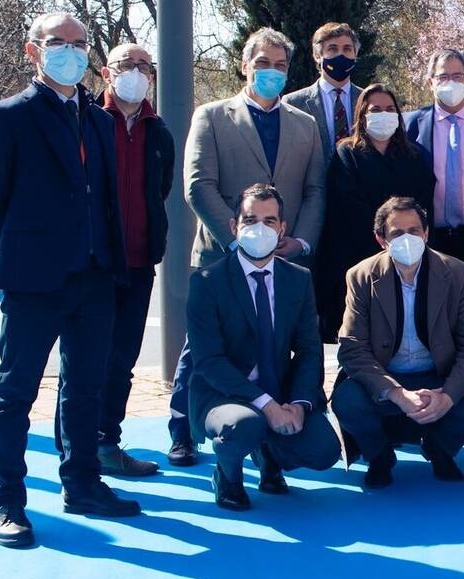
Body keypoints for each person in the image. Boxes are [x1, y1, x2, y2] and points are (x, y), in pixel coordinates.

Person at [0, 12, 138, 548]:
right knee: (14, 393)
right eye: (57, 42)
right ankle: (8, 501)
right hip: (34, 283)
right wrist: (24, 254)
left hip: (95, 280)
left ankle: (83, 484)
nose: (70, 51)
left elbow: (105, 199)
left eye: (79, 43)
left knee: (85, 388)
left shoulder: (98, 120)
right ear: (33, 50)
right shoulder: (7, 116)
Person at [170, 27, 327, 467]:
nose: (271, 72)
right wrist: (241, 241)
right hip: (223, 255)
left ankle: (267, 440)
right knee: (201, 351)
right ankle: (184, 429)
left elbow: (315, 189)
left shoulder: (305, 125)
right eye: (262, 63)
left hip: (280, 255)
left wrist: (296, 241)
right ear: (244, 66)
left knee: (272, 345)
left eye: (280, 65)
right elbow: (199, 185)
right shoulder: (212, 116)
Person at [186, 184, 341, 511]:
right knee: (245, 425)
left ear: (282, 229)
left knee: (324, 450)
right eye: (250, 220)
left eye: (269, 221)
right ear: (234, 226)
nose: (260, 229)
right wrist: (267, 405)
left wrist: (299, 404)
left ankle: (269, 454)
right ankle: (227, 474)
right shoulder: (207, 282)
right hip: (223, 395)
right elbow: (209, 361)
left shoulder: (298, 279)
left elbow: (309, 351)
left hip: (280, 391)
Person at [332, 197, 464, 488]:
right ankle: (379, 455)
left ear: (426, 233)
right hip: (386, 376)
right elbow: (352, 348)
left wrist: (447, 396)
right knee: (347, 402)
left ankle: (440, 447)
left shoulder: (457, 273)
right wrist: (396, 393)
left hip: (438, 376)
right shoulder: (360, 276)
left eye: (414, 230)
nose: (407, 239)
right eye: (397, 233)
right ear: (381, 239)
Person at [87, 43, 175, 477]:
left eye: (144, 66)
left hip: (139, 263)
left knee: (122, 360)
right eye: (127, 64)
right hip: (92, 264)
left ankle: (107, 442)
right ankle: (77, 446)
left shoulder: (159, 132)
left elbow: (161, 190)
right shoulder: (86, 120)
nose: (136, 73)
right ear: (107, 72)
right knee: (86, 359)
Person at [314, 84, 434, 342]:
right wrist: (385, 238)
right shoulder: (346, 154)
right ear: (362, 116)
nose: (384, 114)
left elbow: (424, 202)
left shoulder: (414, 156)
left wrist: (405, 238)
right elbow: (345, 209)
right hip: (357, 255)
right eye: (376, 110)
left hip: (408, 254)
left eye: (390, 109)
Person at [404, 47, 464, 263]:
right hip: (428, 238)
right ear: (430, 82)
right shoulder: (410, 125)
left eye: (457, 76)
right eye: (443, 77)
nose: (451, 83)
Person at [283, 22, 366, 166]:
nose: (341, 55)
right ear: (317, 55)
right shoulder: (293, 103)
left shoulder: (368, 100)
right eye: (332, 49)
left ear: (355, 54)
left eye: (347, 49)